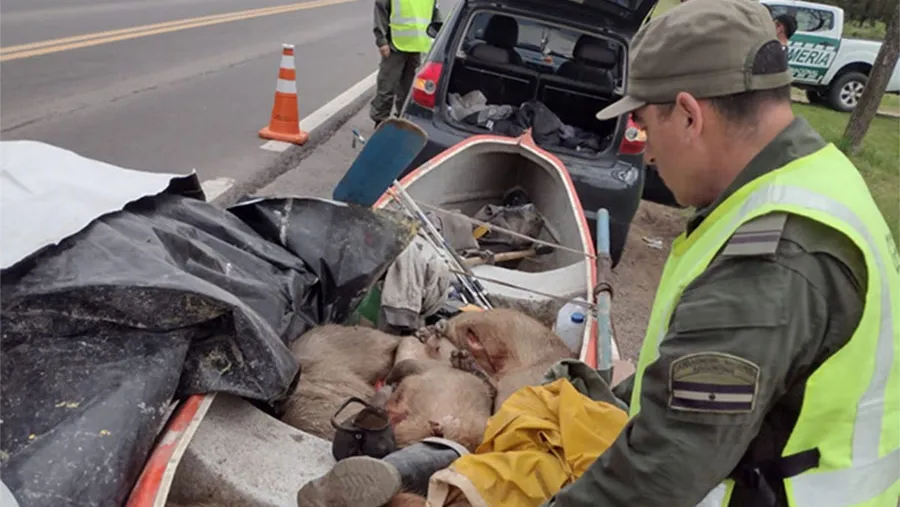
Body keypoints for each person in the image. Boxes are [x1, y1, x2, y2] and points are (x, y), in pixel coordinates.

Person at [539, 0, 900, 506]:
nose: (646, 152)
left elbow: (658, 476)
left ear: (688, 115)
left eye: (643, 126)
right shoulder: (817, 174)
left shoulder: (773, 257)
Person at [371, 0, 442, 129]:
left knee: (409, 90)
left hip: (417, 46)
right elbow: (381, 10)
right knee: (387, 86)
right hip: (395, 45)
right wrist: (382, 40)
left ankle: (402, 120)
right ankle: (380, 122)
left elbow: (435, 16)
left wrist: (440, 39)